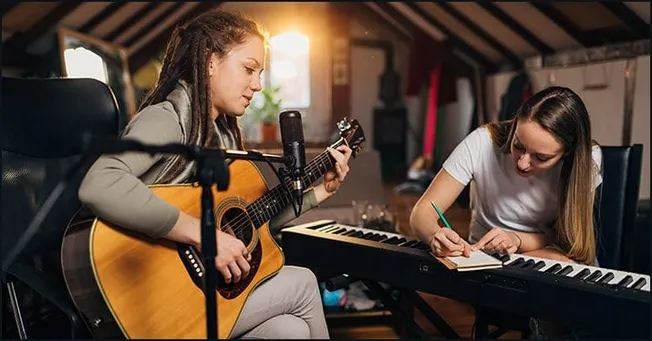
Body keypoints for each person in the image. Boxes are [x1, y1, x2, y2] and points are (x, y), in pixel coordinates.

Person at [78, 9, 351, 339]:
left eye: (261, 73)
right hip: (153, 297)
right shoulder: (170, 118)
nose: (258, 85)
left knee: (289, 330)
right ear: (209, 61)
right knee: (303, 282)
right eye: (249, 69)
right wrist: (204, 235)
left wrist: (321, 192)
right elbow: (99, 183)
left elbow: (250, 227)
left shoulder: (223, 135)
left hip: (197, 296)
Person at [410, 86, 603, 266]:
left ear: (567, 153)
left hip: (552, 256)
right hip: (489, 260)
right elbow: (421, 213)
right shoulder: (482, 142)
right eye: (518, 145)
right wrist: (436, 236)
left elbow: (573, 245)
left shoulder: (587, 159)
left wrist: (517, 240)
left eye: (541, 157)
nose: (522, 163)